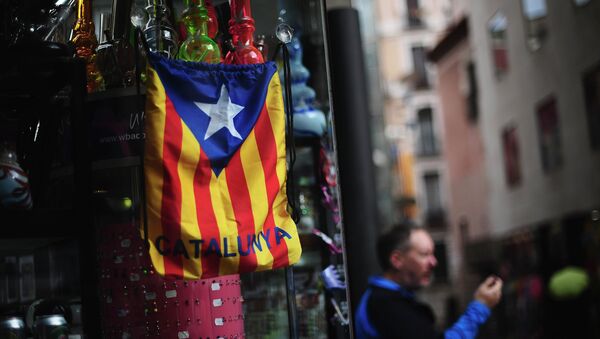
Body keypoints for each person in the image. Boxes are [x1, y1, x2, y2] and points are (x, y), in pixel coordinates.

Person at [355, 223, 503, 339]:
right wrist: (480, 306)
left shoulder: (379, 298)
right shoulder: (385, 305)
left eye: (432, 254)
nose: (434, 262)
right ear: (397, 260)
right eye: (425, 254)